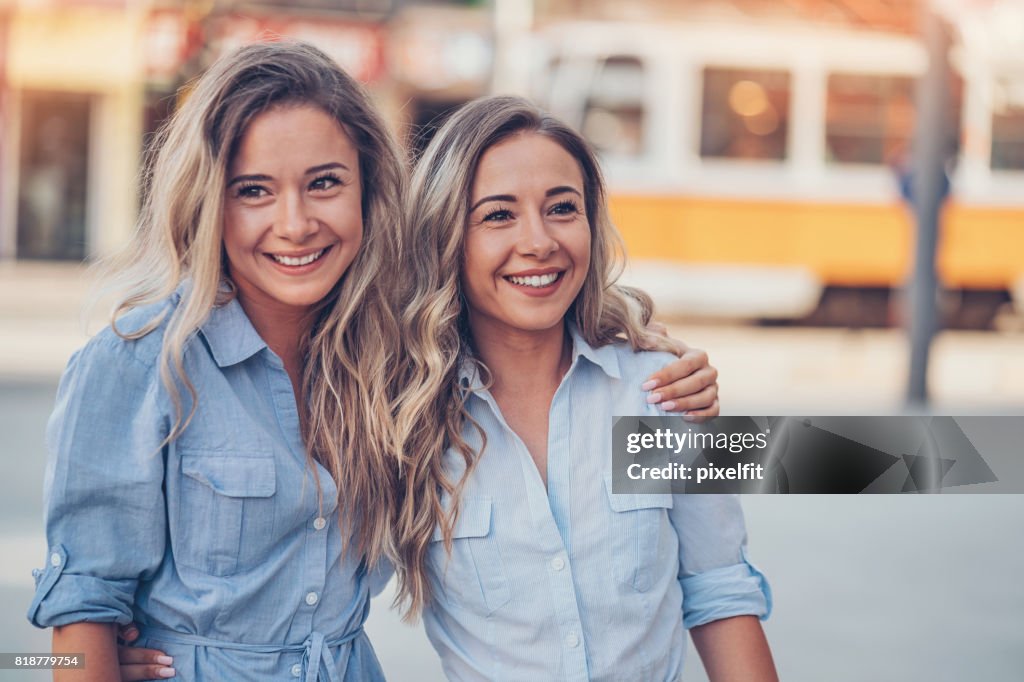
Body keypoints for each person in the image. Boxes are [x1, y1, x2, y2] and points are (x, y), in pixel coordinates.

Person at [27, 42, 718, 681]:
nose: (295, 224)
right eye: (254, 191)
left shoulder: (395, 364)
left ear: (368, 190)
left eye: (324, 183)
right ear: (207, 202)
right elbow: (79, 605)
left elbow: (739, 552)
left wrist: (673, 370)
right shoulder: (138, 364)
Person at [392, 96, 776, 681]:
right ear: (444, 237)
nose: (539, 241)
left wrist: (715, 442)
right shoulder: (406, 418)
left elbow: (720, 587)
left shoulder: (659, 390)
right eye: (498, 215)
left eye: (562, 209)